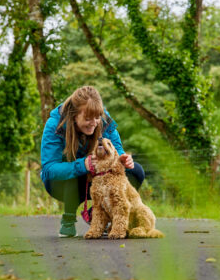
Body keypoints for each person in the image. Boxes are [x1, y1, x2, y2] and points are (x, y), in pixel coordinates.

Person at [40, 86, 146, 237]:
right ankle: (68, 219)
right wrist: (82, 165)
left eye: (97, 117)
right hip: (64, 183)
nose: (94, 123)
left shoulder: (102, 119)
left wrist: (122, 158)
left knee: (136, 172)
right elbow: (49, 169)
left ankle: (102, 215)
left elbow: (117, 149)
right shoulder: (54, 125)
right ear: (74, 116)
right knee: (73, 174)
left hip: (100, 178)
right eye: (87, 118)